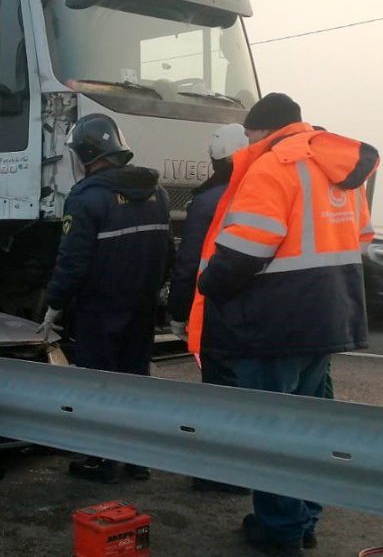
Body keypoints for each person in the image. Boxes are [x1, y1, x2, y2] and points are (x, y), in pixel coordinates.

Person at [191, 93, 377, 557]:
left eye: (250, 135)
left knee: (270, 430)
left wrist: (209, 282)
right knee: (309, 426)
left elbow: (247, 249)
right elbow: (364, 242)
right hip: (328, 315)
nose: (247, 144)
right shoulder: (338, 168)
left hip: (273, 324)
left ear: (262, 130)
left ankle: (280, 531)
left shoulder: (275, 165)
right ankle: (303, 518)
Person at [36, 113, 172, 484]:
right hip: (142, 308)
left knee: (99, 385)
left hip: (100, 310)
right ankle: (137, 459)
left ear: (87, 154)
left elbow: (73, 259)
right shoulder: (156, 193)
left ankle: (99, 460)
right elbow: (166, 254)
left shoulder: (86, 198)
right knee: (135, 381)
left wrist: (55, 303)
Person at [167, 123, 252, 495]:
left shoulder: (207, 201)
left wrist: (176, 311)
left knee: (219, 391)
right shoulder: (263, 189)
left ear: (215, 159)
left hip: (218, 309)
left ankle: (219, 475)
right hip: (263, 311)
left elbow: (188, 263)